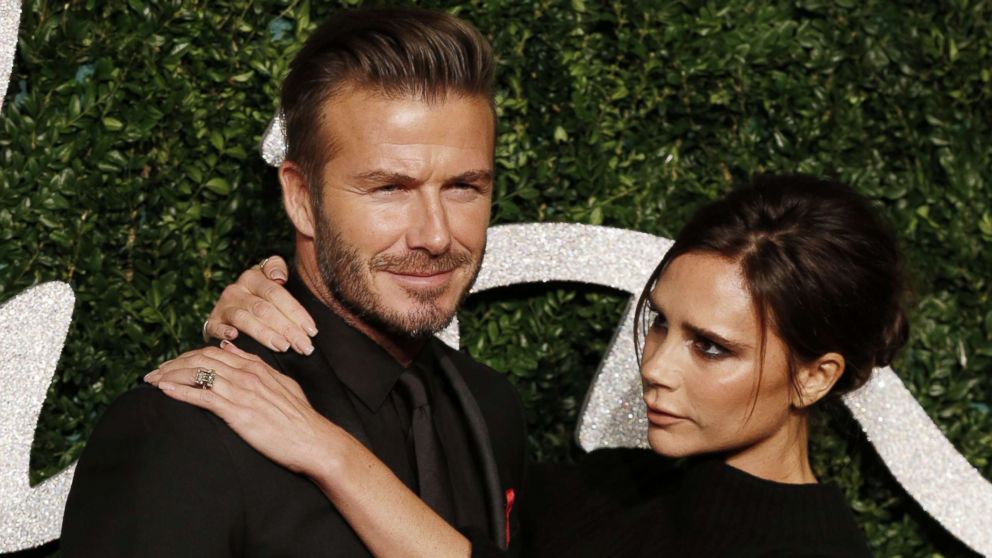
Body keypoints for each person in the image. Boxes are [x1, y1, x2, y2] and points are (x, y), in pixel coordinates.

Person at [147, 174, 903, 557]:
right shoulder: (602, 488)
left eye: (711, 347)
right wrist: (278, 313)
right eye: (658, 324)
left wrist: (324, 449)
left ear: (816, 375)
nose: (658, 367)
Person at [61, 7, 526, 556]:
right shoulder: (186, 427)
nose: (436, 235)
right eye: (389, 189)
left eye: (463, 187)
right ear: (302, 199)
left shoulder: (492, 407)